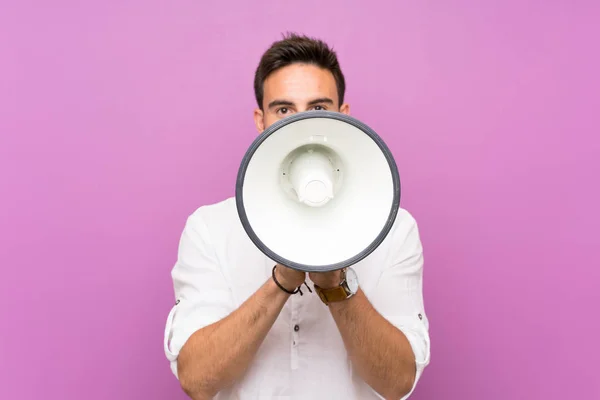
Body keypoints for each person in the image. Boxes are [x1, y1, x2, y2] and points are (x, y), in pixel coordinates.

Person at [163, 33, 430, 400]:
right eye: (284, 109)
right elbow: (197, 380)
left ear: (343, 115)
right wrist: (282, 279)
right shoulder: (209, 228)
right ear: (261, 120)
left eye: (318, 108)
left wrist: (336, 284)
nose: (300, 124)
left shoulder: (394, 228)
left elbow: (398, 382)